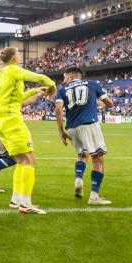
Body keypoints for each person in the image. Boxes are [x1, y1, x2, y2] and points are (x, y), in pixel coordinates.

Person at [0, 46, 55, 215]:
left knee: (21, 161)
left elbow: (17, 98)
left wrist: (35, 91)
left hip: (0, 121)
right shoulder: (14, 70)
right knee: (29, 160)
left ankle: (16, 199)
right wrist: (52, 84)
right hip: (12, 120)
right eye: (18, 54)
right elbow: (39, 77)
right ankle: (26, 204)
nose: (19, 57)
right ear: (14, 58)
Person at [54, 67, 114, 205]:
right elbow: (110, 103)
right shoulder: (92, 84)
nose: (64, 80)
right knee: (98, 159)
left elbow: (58, 109)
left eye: (65, 77)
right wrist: (99, 104)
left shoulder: (62, 89)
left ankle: (79, 179)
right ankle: (94, 197)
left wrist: (61, 131)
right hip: (89, 124)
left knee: (82, 155)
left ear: (70, 77)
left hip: (72, 128)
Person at [0, 89, 47, 194]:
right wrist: (39, 93)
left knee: (2, 156)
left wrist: (38, 93)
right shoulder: (8, 91)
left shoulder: (1, 90)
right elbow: (24, 102)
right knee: (15, 158)